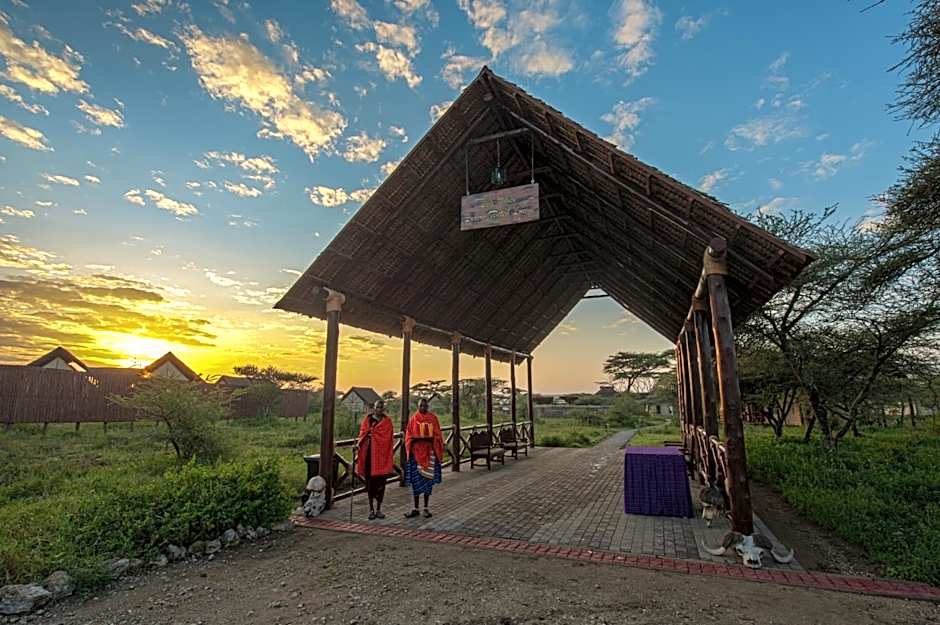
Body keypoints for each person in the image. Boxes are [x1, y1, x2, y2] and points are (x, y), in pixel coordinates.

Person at [403, 397, 445, 518]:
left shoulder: (433, 419)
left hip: (429, 453)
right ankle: (415, 508)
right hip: (416, 454)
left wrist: (432, 438)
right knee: (415, 482)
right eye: (421, 406)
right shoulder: (413, 419)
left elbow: (438, 435)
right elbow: (408, 436)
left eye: (425, 406)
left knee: (427, 482)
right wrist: (413, 440)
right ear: (418, 406)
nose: (423, 408)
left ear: (428, 407)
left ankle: (426, 508)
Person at [355, 399, 394, 520]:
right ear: (374, 408)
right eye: (377, 407)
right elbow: (362, 434)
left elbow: (388, 438)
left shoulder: (387, 422)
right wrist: (359, 443)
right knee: (370, 485)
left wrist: (376, 437)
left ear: (384, 409)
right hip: (369, 457)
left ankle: (379, 509)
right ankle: (371, 509)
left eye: (381, 408)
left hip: (382, 458)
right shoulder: (368, 420)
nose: (379, 409)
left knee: (381, 485)